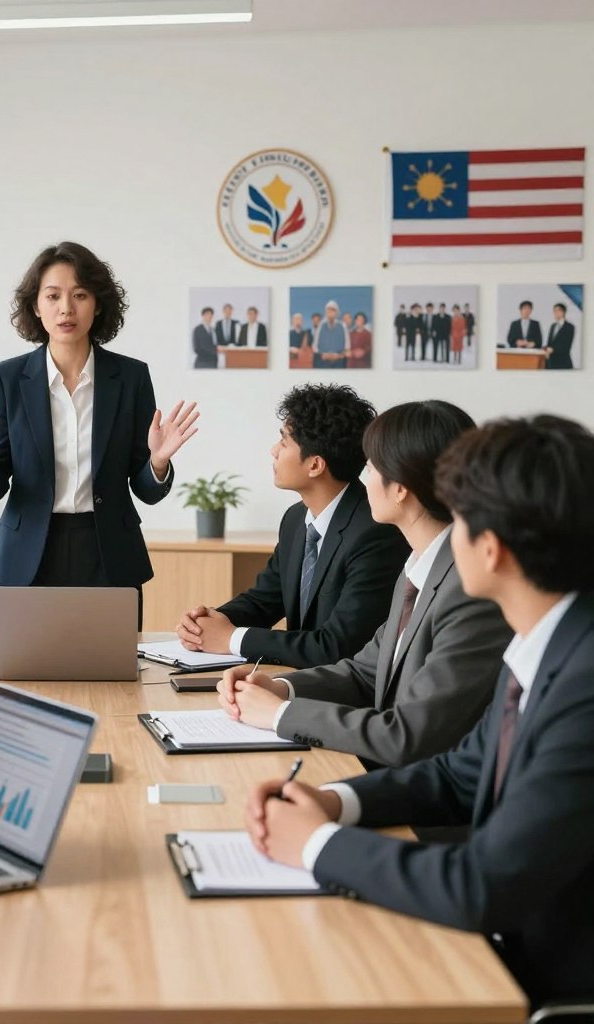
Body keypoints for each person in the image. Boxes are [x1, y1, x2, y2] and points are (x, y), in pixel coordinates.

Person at [243, 415, 594, 1010]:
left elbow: (482, 885)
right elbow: (461, 773)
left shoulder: (583, 685)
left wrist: (317, 845)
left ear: (491, 549)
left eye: (458, 517)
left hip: (535, 981)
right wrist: (338, 803)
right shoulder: (541, 642)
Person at [217, 401, 511, 767]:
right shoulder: (419, 566)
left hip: (426, 801)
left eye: (370, 467)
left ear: (400, 488)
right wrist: (281, 688)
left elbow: (407, 735)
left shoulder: (469, 591)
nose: (363, 479)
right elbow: (365, 671)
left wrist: (278, 715)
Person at [0, 241, 198, 628]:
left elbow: (146, 490)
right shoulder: (8, 378)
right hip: (26, 554)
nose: (66, 308)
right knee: (14, 678)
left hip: (108, 553)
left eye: (80, 295)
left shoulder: (130, 378)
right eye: (53, 296)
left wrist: (159, 462)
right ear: (36, 306)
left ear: (97, 305)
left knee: (111, 680)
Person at [176, 384, 408, 668]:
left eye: (284, 441)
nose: (273, 451)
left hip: (342, 695)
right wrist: (208, 623)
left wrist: (231, 639)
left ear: (315, 465)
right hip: (296, 680)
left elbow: (337, 646)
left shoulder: (375, 533)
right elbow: (265, 600)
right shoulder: (296, 519)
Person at [313, 301, 348, 368]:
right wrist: (324, 355)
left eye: (333, 310)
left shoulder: (343, 326)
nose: (330, 312)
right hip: (323, 361)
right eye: (328, 310)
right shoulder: (320, 325)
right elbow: (315, 346)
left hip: (339, 362)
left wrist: (339, 355)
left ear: (337, 312)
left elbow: (347, 346)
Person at [544, 302, 575, 369]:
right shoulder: (553, 326)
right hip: (551, 363)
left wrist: (553, 350)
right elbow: (549, 343)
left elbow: (566, 345)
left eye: (557, 310)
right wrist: (545, 348)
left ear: (563, 312)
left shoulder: (569, 327)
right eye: (554, 311)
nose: (555, 313)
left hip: (563, 363)